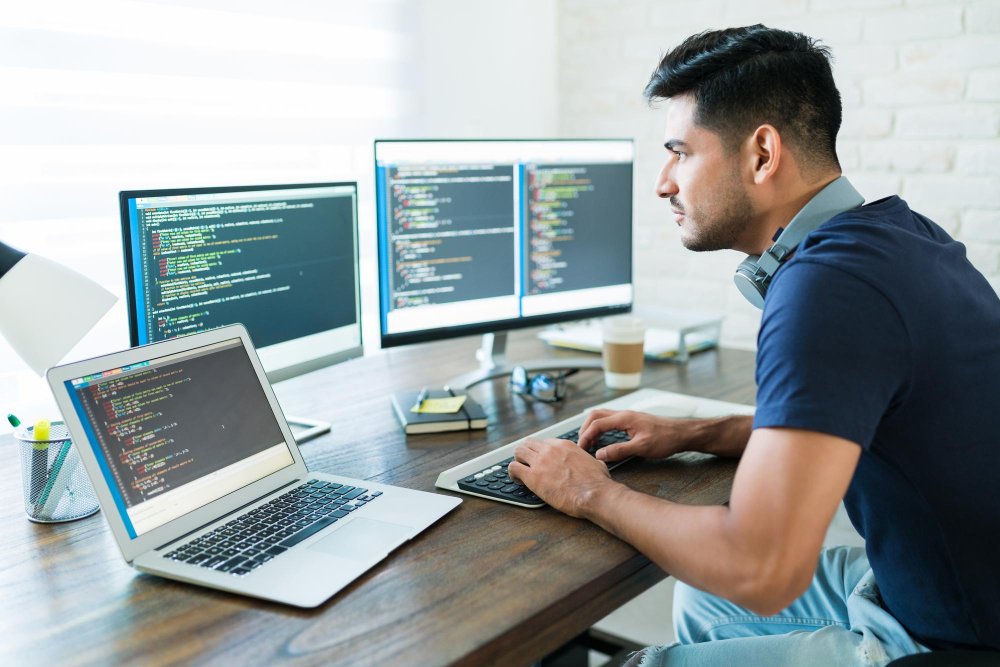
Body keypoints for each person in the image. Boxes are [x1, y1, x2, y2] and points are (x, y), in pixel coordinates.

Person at [508, 24, 1000, 665]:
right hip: (939, 581)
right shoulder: (899, 234)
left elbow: (764, 568)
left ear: (762, 154)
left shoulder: (825, 289)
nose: (663, 183)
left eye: (680, 152)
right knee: (701, 602)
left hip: (953, 635)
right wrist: (694, 433)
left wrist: (590, 492)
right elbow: (855, 418)